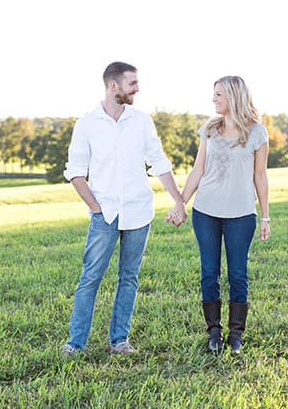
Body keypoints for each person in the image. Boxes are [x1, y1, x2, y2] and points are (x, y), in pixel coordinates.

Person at [61, 61, 187, 357]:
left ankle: (119, 341)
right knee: (90, 278)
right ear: (113, 86)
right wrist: (96, 208)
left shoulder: (142, 121)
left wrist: (178, 199)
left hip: (138, 212)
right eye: (132, 83)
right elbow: (76, 172)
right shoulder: (87, 124)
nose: (137, 89)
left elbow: (158, 162)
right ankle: (75, 342)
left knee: (128, 277)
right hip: (104, 214)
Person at [169, 75, 270, 354]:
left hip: (241, 215)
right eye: (213, 94)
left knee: (238, 274)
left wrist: (265, 217)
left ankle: (236, 335)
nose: (213, 99)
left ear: (234, 97)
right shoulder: (209, 129)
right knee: (208, 272)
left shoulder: (257, 132)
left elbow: (260, 177)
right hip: (206, 212)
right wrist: (181, 203)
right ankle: (214, 332)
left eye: (218, 95)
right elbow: (197, 169)